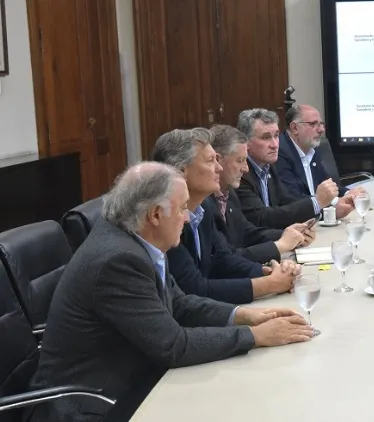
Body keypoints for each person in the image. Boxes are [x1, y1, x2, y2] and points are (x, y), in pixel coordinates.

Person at [27, 162, 314, 422]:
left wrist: (245, 316)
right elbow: (173, 346)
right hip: (94, 404)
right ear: (155, 214)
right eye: (182, 208)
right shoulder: (118, 260)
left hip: (132, 377)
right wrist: (256, 336)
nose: (188, 218)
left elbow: (179, 303)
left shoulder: (137, 238)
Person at [152, 128, 297, 304]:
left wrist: (266, 272)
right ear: (182, 170)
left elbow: (222, 259)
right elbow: (193, 288)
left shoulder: (203, 206)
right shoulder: (165, 218)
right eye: (211, 161)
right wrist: (268, 285)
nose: (219, 168)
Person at [210, 124, 316, 263]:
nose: (246, 169)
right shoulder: (205, 204)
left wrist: (289, 235)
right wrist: (280, 245)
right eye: (240, 160)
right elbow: (225, 259)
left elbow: (247, 233)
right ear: (217, 160)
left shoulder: (229, 194)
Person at [234, 108, 354, 229]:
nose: (274, 145)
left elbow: (288, 202)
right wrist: (317, 202)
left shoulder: (267, 166)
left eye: (276, 136)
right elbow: (263, 218)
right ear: (246, 142)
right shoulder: (240, 174)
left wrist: (328, 211)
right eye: (266, 138)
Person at [275, 104, 366, 206]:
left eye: (321, 124)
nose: (321, 130)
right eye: (313, 124)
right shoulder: (279, 153)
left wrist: (349, 193)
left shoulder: (311, 148)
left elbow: (328, 185)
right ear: (295, 128)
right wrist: (336, 202)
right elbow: (293, 199)